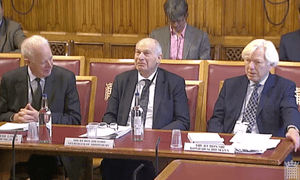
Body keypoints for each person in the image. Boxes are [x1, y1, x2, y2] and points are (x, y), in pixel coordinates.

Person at [100, 37, 190, 180]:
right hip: (123, 146)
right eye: (137, 53)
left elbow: (182, 121)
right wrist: (118, 134)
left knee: (142, 169)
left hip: (155, 148)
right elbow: (109, 116)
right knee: (109, 164)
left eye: (146, 53)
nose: (140, 57)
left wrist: (152, 136)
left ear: (159, 58)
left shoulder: (174, 83)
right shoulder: (121, 80)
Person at [0, 35, 83, 179]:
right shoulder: (10, 79)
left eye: (51, 58)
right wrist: (14, 117)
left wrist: (42, 118)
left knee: (40, 163)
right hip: (17, 145)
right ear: (28, 62)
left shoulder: (65, 78)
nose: (50, 65)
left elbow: (75, 119)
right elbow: (1, 113)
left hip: (51, 148)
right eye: (44, 62)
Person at [207, 39, 300, 154]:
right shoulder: (230, 85)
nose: (250, 67)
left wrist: (292, 129)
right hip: (231, 147)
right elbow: (216, 119)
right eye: (247, 60)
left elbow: (290, 110)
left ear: (270, 65)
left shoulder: (284, 86)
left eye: (257, 62)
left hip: (266, 150)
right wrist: (219, 143)